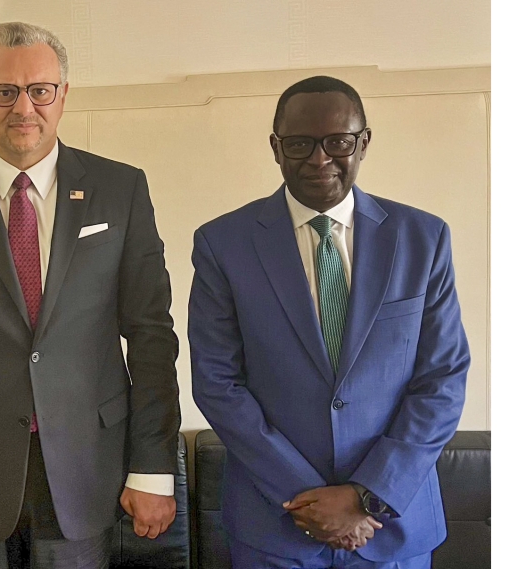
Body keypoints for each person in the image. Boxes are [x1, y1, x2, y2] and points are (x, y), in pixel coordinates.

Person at [0, 21, 180, 569]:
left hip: (88, 465)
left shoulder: (120, 189)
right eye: (4, 91)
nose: (24, 107)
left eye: (40, 90)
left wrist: (152, 467)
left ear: (62, 96)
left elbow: (150, 336)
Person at [188, 75, 470, 568]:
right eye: (299, 144)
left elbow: (442, 379)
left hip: (392, 525)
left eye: (339, 142)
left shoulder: (423, 238)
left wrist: (367, 495)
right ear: (276, 148)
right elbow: (217, 383)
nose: (320, 159)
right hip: (275, 525)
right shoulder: (223, 244)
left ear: (363, 142)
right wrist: (311, 501)